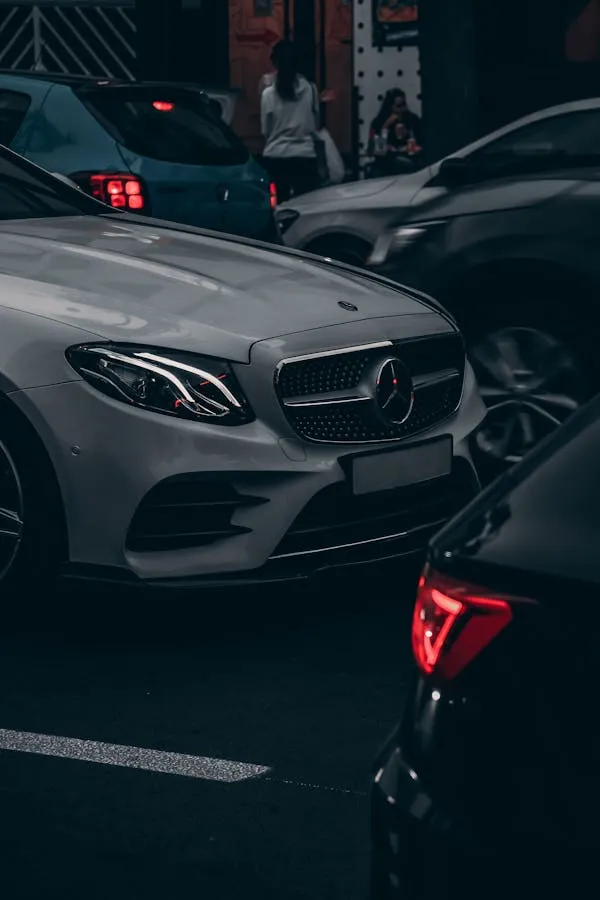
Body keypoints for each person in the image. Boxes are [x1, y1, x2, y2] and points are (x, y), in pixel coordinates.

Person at [260, 41, 321, 202]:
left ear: (275, 63)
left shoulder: (268, 95)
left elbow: (266, 131)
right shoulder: (311, 89)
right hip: (305, 156)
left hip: (276, 157)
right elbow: (315, 124)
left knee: (278, 207)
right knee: (307, 208)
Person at [368, 88, 423, 176]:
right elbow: (378, 151)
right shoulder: (378, 122)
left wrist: (408, 134)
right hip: (385, 161)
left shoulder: (412, 119)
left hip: (409, 159)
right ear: (390, 107)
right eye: (398, 106)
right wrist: (385, 127)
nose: (402, 109)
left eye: (404, 105)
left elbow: (420, 146)